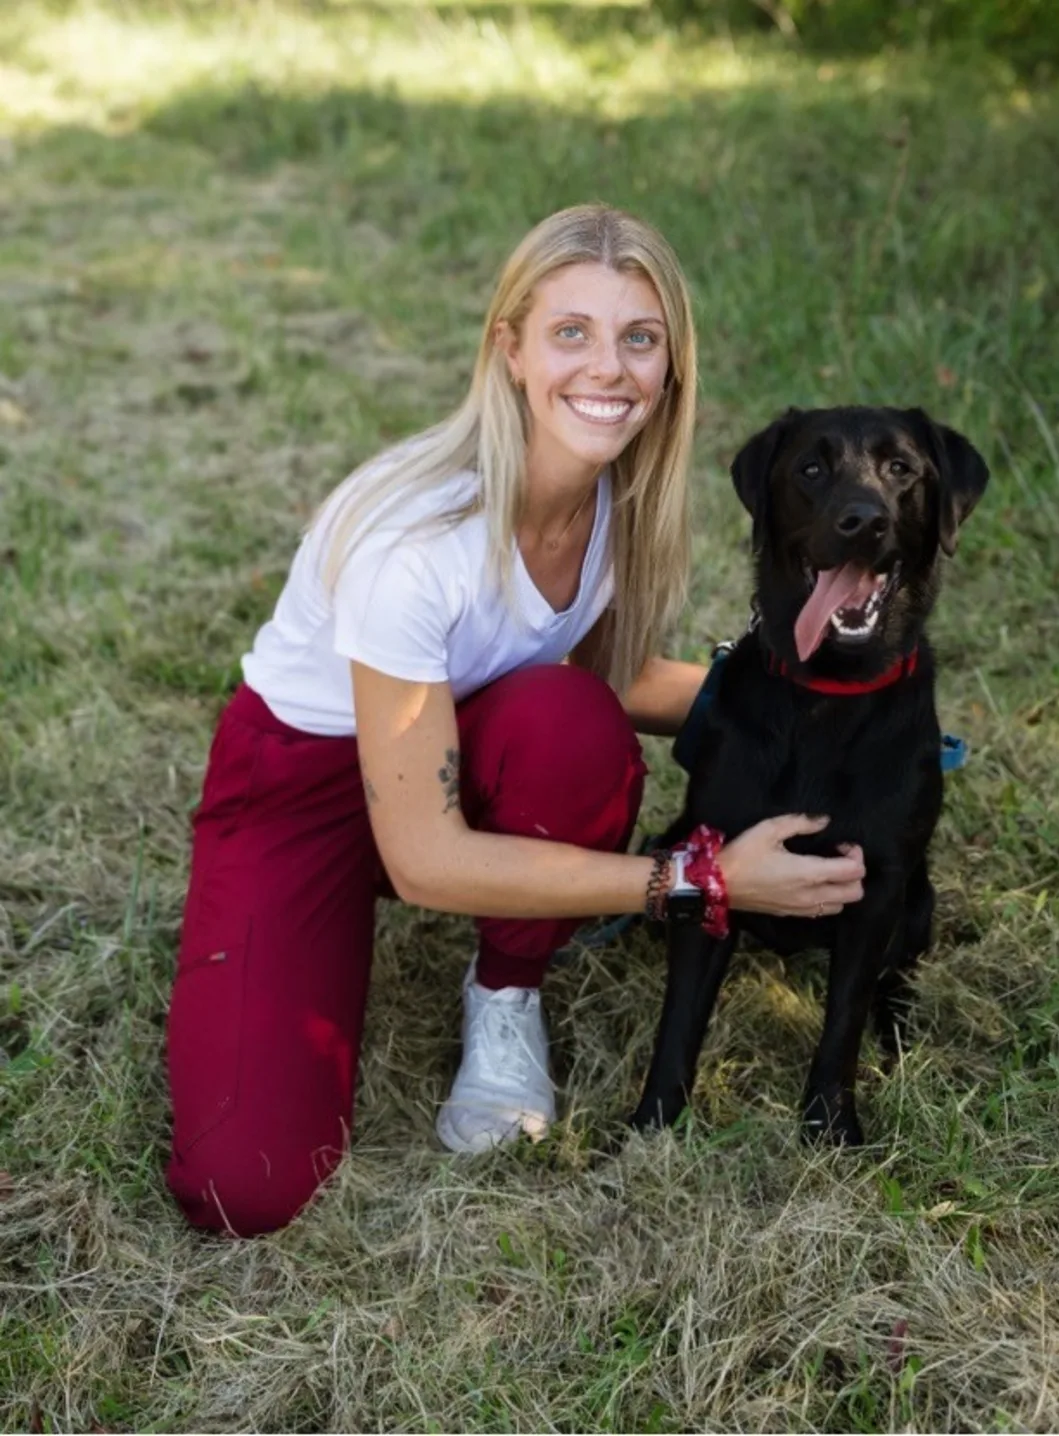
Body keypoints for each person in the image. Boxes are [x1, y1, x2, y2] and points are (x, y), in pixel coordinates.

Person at [165, 204, 866, 1237]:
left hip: (449, 746)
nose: (610, 368)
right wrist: (702, 878)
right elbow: (425, 860)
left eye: (640, 337)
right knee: (244, 1183)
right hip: (301, 788)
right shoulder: (417, 539)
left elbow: (599, 676)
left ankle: (506, 990)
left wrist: (813, 695)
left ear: (672, 364)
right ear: (511, 350)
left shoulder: (616, 499)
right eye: (571, 333)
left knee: (568, 722)